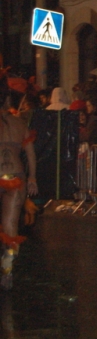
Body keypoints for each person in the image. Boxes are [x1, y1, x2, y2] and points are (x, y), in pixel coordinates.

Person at [0, 81, 37, 290]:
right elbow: (30, 154)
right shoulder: (19, 123)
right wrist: (32, 178)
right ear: (7, 99)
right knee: (11, 226)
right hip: (16, 176)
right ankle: (7, 271)